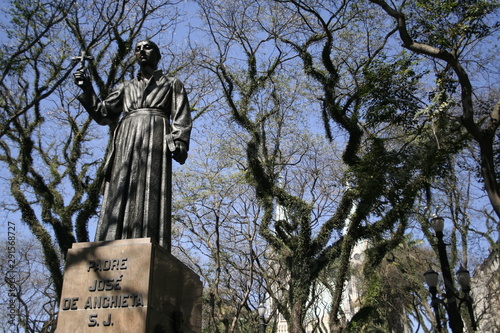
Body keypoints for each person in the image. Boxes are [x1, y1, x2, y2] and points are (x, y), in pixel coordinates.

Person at [74, 40, 192, 251]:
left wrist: (179, 140)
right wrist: (87, 88)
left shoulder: (172, 83)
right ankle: (111, 241)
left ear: (158, 55)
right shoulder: (125, 87)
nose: (141, 51)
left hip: (155, 135)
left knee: (150, 185)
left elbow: (182, 116)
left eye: (147, 47)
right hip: (127, 137)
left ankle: (148, 240)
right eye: (137, 49)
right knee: (120, 185)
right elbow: (103, 114)